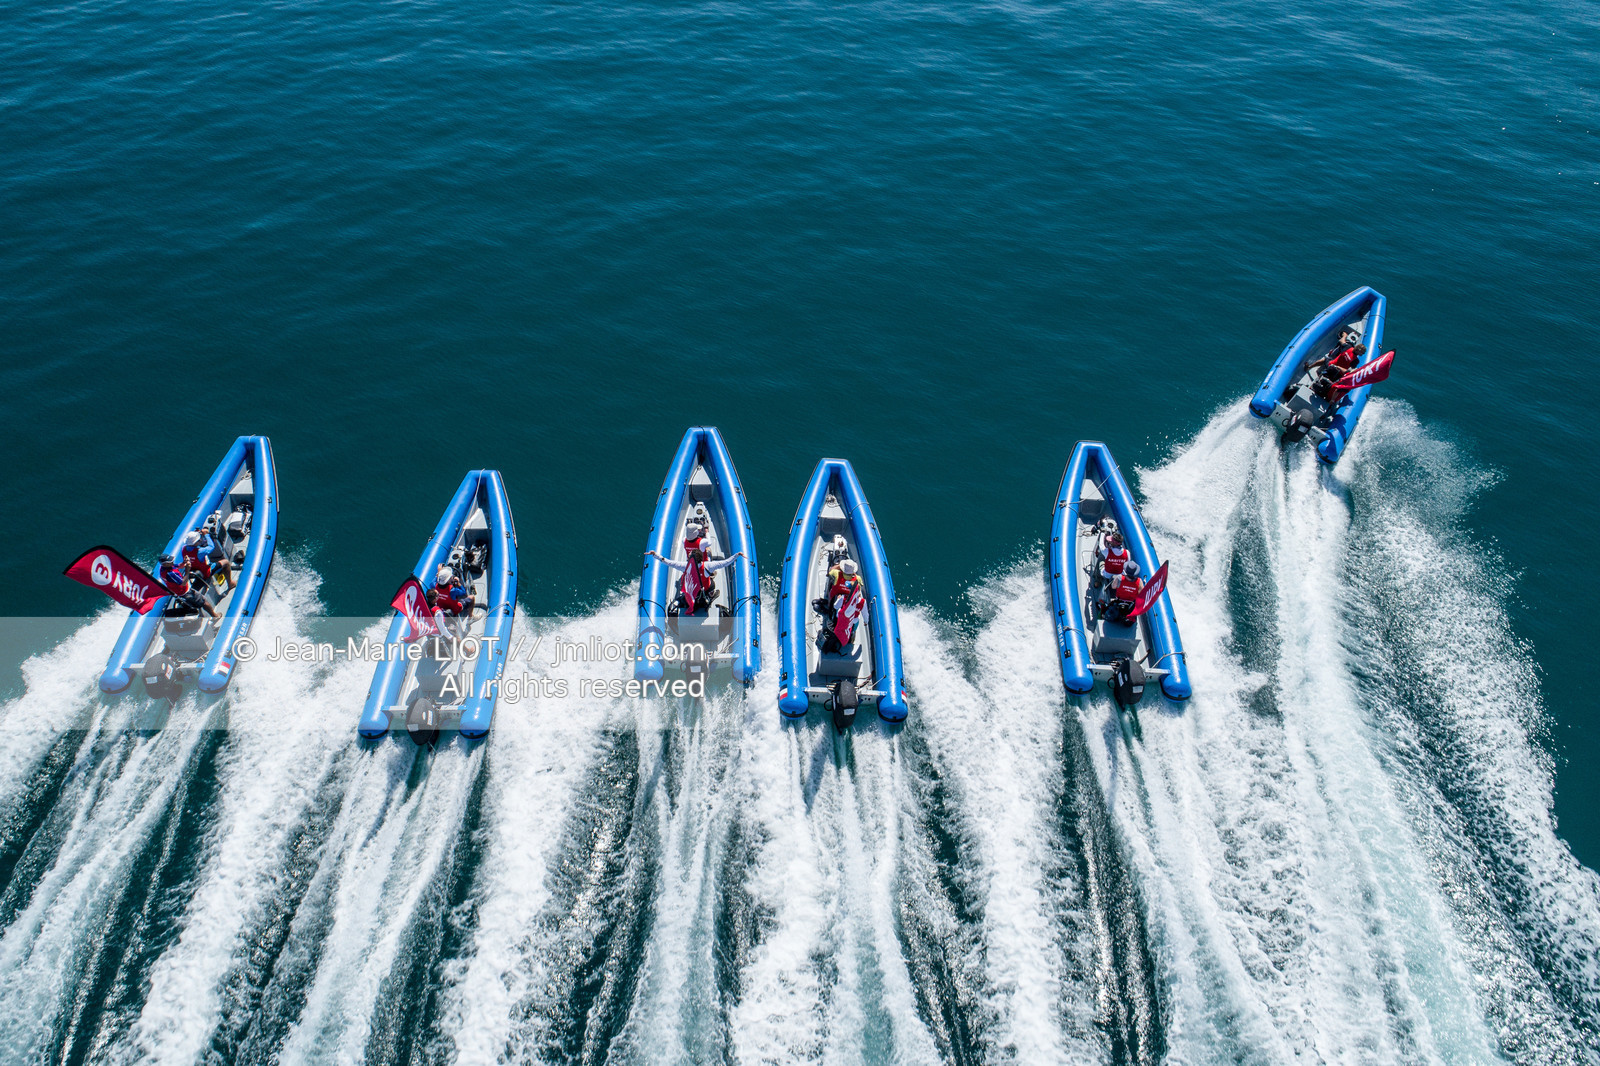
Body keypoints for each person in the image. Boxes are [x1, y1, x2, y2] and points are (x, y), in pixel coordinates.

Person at [646, 523, 744, 615]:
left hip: (692, 593)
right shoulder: (708, 566)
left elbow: (669, 562)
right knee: (712, 582)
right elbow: (725, 563)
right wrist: (736, 555)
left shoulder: (685, 565)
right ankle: (710, 595)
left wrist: (656, 555)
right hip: (703, 591)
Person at [813, 557, 866, 653]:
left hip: (835, 603)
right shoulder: (857, 579)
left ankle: (827, 612)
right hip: (847, 609)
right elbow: (858, 590)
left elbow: (830, 571)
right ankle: (852, 633)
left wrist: (838, 566)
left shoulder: (837, 574)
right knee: (855, 621)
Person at [1309, 335, 1367, 407]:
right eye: (1362, 352)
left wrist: (1344, 336)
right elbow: (1348, 371)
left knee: (1325, 360)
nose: (1362, 354)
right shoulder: (1353, 356)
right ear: (1358, 350)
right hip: (1335, 369)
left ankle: (1310, 368)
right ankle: (1310, 368)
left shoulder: (1348, 348)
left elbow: (1341, 341)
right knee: (1325, 361)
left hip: (1334, 368)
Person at [157, 552, 218, 619]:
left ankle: (198, 608)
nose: (173, 562)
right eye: (170, 561)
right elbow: (183, 583)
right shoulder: (171, 574)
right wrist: (187, 570)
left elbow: (179, 566)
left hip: (179, 590)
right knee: (204, 602)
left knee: (198, 600)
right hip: (184, 592)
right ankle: (215, 616)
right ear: (165, 564)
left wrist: (184, 562)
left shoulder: (164, 567)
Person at [1104, 560, 1143, 624]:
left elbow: (1113, 587)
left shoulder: (1119, 578)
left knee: (1112, 578)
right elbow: (1141, 594)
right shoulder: (1139, 581)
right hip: (1130, 604)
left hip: (1119, 601)